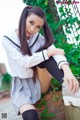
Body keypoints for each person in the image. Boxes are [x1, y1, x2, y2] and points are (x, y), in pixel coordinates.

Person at [2, 6, 79, 120]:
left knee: (47, 55)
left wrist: (67, 71)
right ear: (24, 18)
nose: (32, 29)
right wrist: (50, 52)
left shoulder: (37, 38)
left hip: (38, 80)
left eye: (38, 27)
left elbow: (56, 53)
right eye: (31, 22)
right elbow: (24, 62)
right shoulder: (7, 40)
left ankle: (70, 88)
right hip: (22, 87)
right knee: (31, 116)